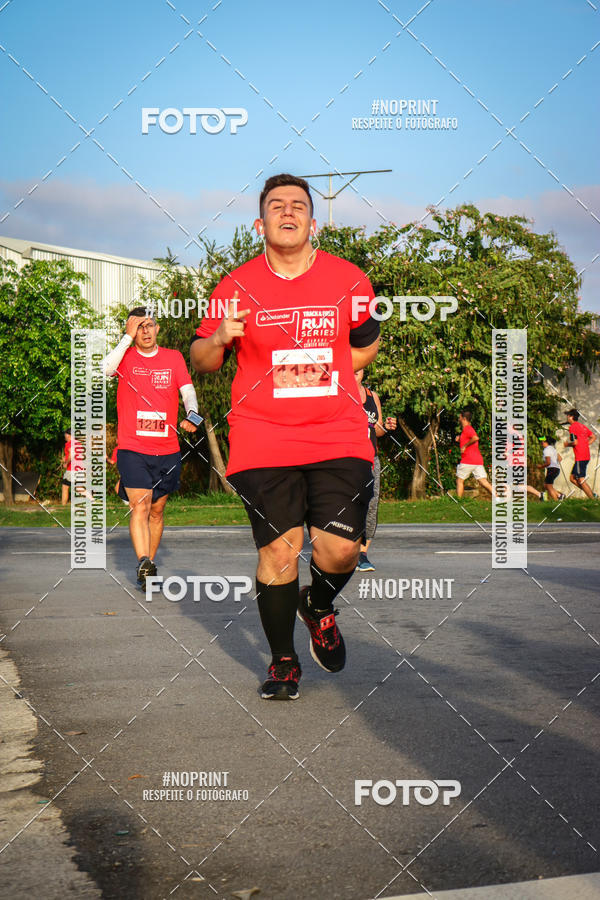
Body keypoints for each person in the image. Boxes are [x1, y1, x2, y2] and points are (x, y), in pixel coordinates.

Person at [190, 173, 379, 700]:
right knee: (279, 551)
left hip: (337, 435)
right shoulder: (235, 287)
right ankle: (283, 662)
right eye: (277, 206)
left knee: (340, 551)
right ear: (261, 223)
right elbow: (201, 360)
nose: (288, 212)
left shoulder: (350, 281)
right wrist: (221, 336)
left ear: (313, 222)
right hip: (262, 435)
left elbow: (366, 344)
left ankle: (317, 605)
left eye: (298, 205)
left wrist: (337, 377)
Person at [103, 307, 200, 588]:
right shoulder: (126, 357)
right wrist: (125, 338)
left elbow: (188, 391)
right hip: (132, 448)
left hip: (167, 448)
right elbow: (105, 369)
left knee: (157, 510)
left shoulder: (173, 358)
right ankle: (143, 559)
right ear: (133, 330)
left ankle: (149, 566)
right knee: (140, 506)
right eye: (139, 327)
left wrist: (192, 414)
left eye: (150, 325)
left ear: (158, 329)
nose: (145, 331)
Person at [354, 368, 396, 571]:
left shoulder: (372, 396)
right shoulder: (339, 393)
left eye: (359, 368)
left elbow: (377, 428)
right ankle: (344, 551)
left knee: (371, 505)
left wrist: (386, 425)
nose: (355, 370)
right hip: (348, 459)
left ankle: (362, 553)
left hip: (371, 459)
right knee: (348, 504)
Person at [455, 410, 496, 498]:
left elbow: (475, 438)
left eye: (460, 417)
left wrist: (465, 446)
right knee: (483, 481)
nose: (459, 419)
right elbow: (470, 439)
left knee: (459, 480)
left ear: (464, 418)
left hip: (468, 460)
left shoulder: (467, 428)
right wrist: (460, 439)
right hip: (477, 461)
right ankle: (498, 498)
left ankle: (458, 502)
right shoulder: (466, 430)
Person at [564, 408, 597, 500]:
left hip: (580, 456)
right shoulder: (582, 426)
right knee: (572, 478)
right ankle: (592, 494)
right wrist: (585, 444)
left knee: (581, 479)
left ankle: (593, 499)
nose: (567, 417)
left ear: (571, 417)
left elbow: (574, 442)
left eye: (567, 415)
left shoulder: (572, 427)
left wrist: (567, 444)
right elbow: (593, 437)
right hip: (586, 455)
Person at [61, 429, 93, 504]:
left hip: (72, 469)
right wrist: (65, 458)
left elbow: (72, 454)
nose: (64, 437)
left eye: (65, 435)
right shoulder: (78, 443)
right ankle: (92, 499)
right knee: (76, 487)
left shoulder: (69, 443)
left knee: (66, 487)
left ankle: (62, 506)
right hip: (80, 468)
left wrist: (66, 463)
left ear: (68, 435)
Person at [537, 436, 564, 501]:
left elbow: (548, 462)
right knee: (546, 485)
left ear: (545, 442)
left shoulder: (546, 450)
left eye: (542, 441)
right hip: (556, 469)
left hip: (552, 469)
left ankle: (556, 501)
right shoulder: (553, 449)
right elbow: (560, 459)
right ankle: (559, 495)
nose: (541, 443)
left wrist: (541, 466)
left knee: (548, 486)